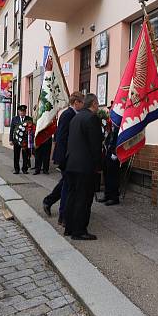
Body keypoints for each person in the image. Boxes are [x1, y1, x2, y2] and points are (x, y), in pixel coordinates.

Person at [64, 93, 103, 241]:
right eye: (97, 104)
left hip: (72, 164)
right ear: (93, 104)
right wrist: (98, 165)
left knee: (72, 197)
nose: (98, 107)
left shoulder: (76, 117)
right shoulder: (92, 118)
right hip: (85, 167)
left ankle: (69, 227)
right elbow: (95, 145)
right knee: (83, 199)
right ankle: (79, 231)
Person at [42, 92, 84, 223]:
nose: (83, 105)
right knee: (67, 185)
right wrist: (66, 157)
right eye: (81, 102)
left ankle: (49, 201)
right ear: (76, 102)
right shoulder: (68, 115)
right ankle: (63, 215)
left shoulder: (72, 114)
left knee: (65, 182)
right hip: (66, 156)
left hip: (69, 156)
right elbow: (62, 137)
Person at [99, 123, 120, 206]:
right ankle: (107, 195)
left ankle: (114, 197)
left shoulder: (118, 127)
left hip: (114, 155)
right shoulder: (108, 127)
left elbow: (119, 141)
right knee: (106, 175)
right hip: (107, 154)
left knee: (113, 177)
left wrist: (115, 153)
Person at [10, 105, 33, 174]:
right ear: (18, 111)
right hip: (16, 141)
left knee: (25, 156)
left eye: (24, 111)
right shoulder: (14, 119)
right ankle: (16, 169)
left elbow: (31, 130)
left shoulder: (29, 119)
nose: (23, 113)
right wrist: (11, 139)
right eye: (21, 111)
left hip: (25, 141)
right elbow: (12, 130)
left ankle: (24, 169)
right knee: (16, 155)